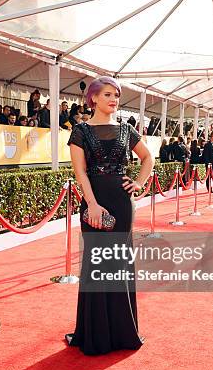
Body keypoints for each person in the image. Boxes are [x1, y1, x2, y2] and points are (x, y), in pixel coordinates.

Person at [65, 76, 154, 355]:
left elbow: (148, 158)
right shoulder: (80, 132)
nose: (113, 99)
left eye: (116, 95)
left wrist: (139, 182)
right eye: (107, 95)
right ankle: (96, 333)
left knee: (119, 262)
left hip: (121, 202)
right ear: (93, 99)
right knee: (96, 263)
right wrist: (91, 204)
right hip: (94, 201)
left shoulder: (127, 130)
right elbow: (80, 172)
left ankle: (122, 330)